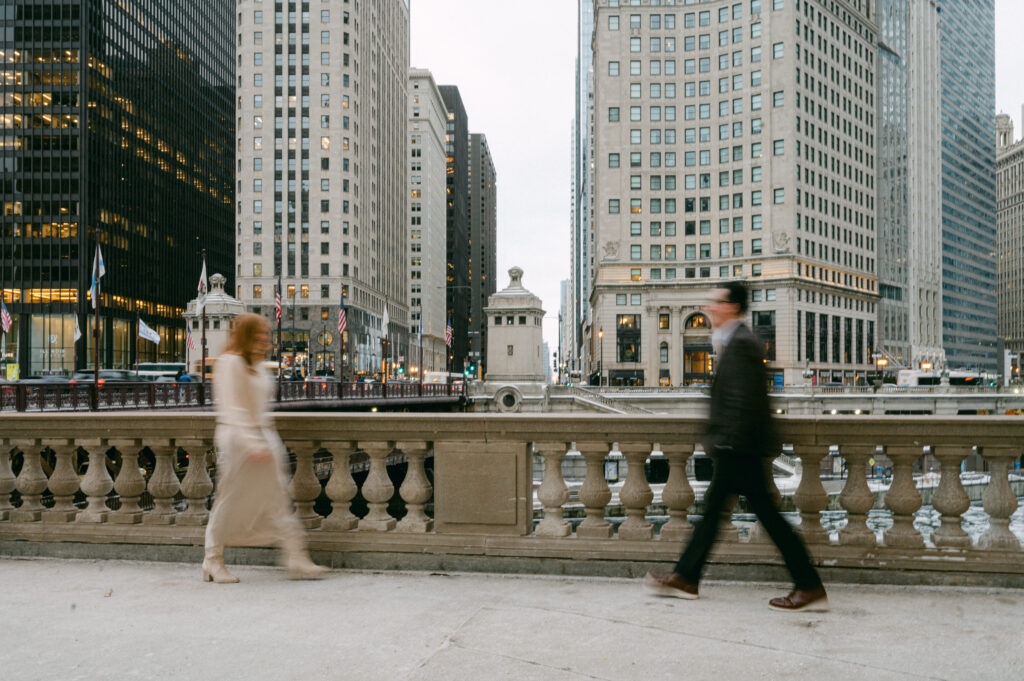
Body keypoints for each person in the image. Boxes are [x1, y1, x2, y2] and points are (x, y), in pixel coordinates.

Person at [644, 282, 827, 612]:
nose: (709, 307)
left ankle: (809, 585)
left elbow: (743, 402)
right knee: (719, 515)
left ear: (732, 307)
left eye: (716, 302)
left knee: (762, 518)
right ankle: (687, 577)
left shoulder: (741, 343)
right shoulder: (735, 340)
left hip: (739, 449)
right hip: (739, 448)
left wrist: (726, 442)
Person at [202, 313, 328, 583]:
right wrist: (252, 443)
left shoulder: (258, 365)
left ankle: (296, 556)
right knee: (229, 499)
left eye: (265, 333)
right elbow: (233, 408)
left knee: (277, 497)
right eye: (259, 333)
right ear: (246, 334)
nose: (264, 338)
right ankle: (213, 560)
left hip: (264, 437)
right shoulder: (230, 363)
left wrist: (265, 440)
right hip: (239, 440)